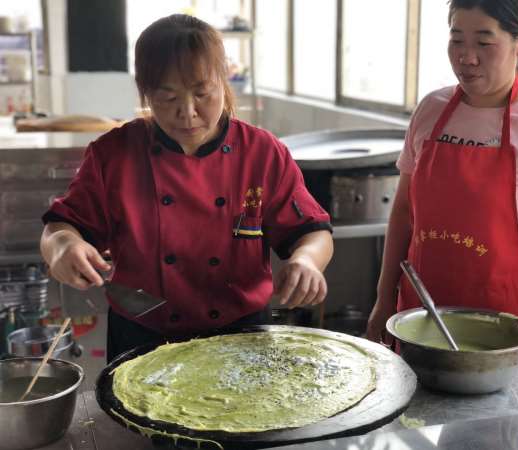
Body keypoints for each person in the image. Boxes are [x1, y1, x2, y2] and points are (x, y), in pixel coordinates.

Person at [40, 14, 334, 362]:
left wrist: (306, 261)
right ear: (145, 93)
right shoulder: (114, 154)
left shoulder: (262, 152)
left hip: (241, 334)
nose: (188, 113)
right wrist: (62, 247)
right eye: (167, 98)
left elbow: (313, 232)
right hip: (142, 334)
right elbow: (60, 227)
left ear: (222, 83)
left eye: (202, 93)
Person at [367, 0, 518, 364]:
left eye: (484, 43)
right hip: (422, 314)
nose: (466, 57)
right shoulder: (431, 110)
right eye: (457, 40)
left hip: (506, 323)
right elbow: (405, 212)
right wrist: (382, 299)